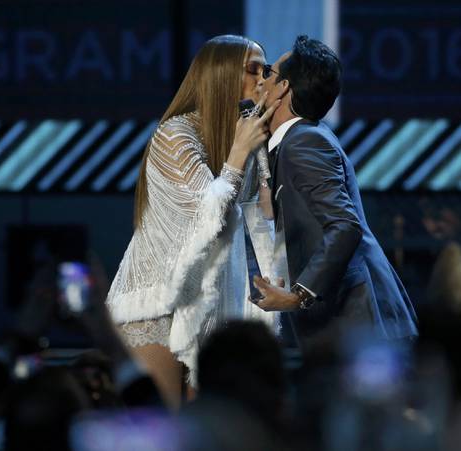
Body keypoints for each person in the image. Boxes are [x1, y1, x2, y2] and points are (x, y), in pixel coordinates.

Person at [105, 35, 279, 409]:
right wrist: (239, 152)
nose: (262, 80)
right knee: (162, 430)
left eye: (265, 71)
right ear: (219, 76)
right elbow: (207, 214)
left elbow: (262, 219)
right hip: (157, 303)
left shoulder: (242, 135)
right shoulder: (174, 135)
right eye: (252, 70)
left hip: (211, 306)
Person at [251, 35, 418, 344]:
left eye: (268, 73)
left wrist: (299, 295)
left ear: (284, 87)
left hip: (359, 323)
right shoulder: (296, 140)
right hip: (345, 323)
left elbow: (344, 225)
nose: (259, 82)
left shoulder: (303, 142)